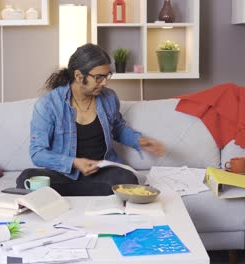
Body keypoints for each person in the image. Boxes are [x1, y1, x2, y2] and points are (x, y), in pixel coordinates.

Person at [16, 43, 165, 196]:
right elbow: (37, 153)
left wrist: (139, 141)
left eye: (107, 76)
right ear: (79, 76)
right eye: (98, 78)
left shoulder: (109, 97)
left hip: (101, 173)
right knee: (25, 178)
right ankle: (98, 194)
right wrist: (73, 162)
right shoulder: (48, 105)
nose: (105, 82)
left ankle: (62, 196)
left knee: (127, 178)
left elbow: (117, 129)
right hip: (64, 174)